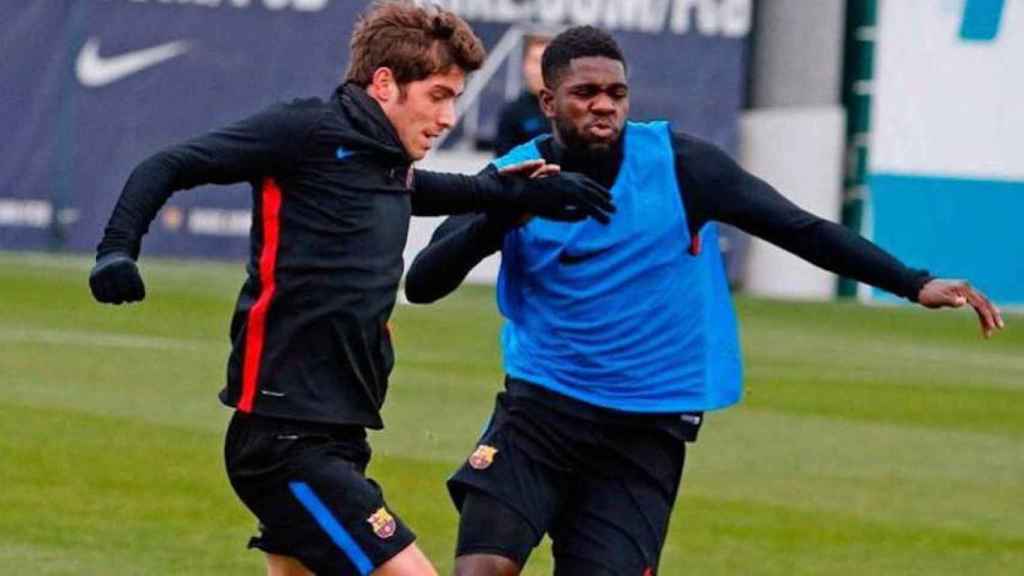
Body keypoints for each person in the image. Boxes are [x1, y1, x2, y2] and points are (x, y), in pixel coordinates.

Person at [404, 25, 1004, 576]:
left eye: (617, 92)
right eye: (585, 92)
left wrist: (911, 281)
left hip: (645, 426)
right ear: (548, 102)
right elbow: (424, 282)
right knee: (483, 569)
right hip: (540, 412)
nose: (604, 104)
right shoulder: (517, 172)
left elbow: (796, 227)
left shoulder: (682, 165)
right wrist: (512, 207)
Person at [87, 4, 615, 575]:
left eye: (454, 99)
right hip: (286, 440)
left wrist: (512, 194)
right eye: (438, 95)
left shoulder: (385, 163)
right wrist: (117, 248)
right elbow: (170, 163)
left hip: (338, 432)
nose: (447, 117)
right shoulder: (308, 132)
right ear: (385, 83)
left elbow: (431, 190)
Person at [493, 32, 552, 156]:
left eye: (545, 61)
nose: (539, 69)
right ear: (525, 65)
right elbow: (501, 164)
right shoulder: (512, 112)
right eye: (535, 61)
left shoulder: (568, 109)